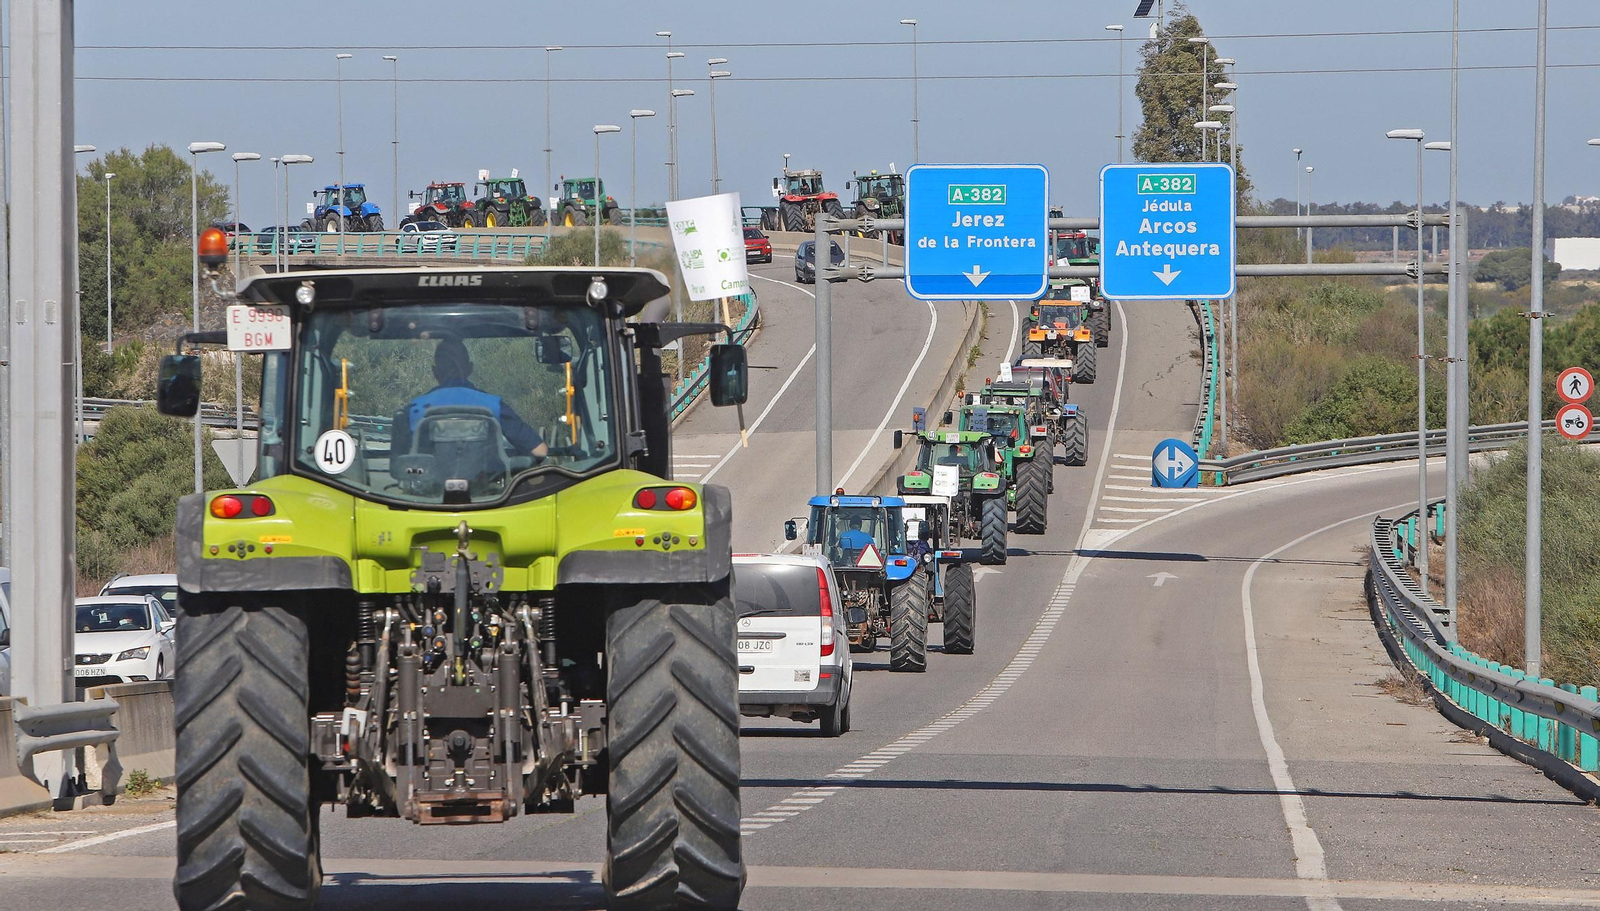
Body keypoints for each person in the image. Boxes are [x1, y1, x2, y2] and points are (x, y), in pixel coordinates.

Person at [394, 338, 548, 458]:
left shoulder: (414, 409)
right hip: (489, 492)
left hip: (427, 493)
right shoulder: (494, 405)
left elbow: (399, 462)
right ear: (470, 369)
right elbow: (540, 451)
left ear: (435, 372)